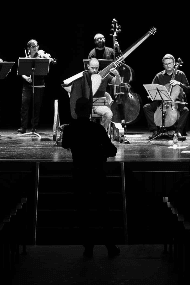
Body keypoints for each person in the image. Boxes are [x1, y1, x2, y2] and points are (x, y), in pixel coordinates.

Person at [61, 97, 120, 258]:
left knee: (83, 211)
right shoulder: (97, 129)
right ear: (89, 111)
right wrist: (101, 154)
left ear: (75, 111)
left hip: (80, 173)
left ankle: (88, 248)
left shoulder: (70, 129)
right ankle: (110, 246)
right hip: (96, 172)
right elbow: (112, 150)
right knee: (103, 210)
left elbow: (65, 144)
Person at [143, 54, 190, 140]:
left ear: (174, 63)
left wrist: (179, 83)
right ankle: (155, 131)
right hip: (161, 102)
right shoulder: (159, 76)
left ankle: (178, 131)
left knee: (185, 110)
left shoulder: (180, 74)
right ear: (163, 65)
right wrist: (151, 95)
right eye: (166, 64)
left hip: (175, 102)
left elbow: (188, 89)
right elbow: (153, 89)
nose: (168, 65)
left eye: (170, 63)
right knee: (147, 107)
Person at [69, 58, 121, 132]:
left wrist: (117, 75)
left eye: (96, 68)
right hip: (85, 104)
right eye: (92, 68)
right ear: (88, 66)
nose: (94, 70)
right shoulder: (84, 76)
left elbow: (117, 83)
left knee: (109, 114)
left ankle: (102, 133)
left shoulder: (104, 75)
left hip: (98, 103)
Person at [18, 39, 50, 134]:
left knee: (36, 106)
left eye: (36, 46)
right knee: (24, 105)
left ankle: (34, 127)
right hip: (27, 85)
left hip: (39, 84)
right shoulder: (26, 59)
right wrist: (26, 78)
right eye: (33, 46)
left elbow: (45, 70)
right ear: (29, 48)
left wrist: (47, 59)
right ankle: (23, 127)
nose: (35, 48)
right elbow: (20, 72)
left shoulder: (41, 57)